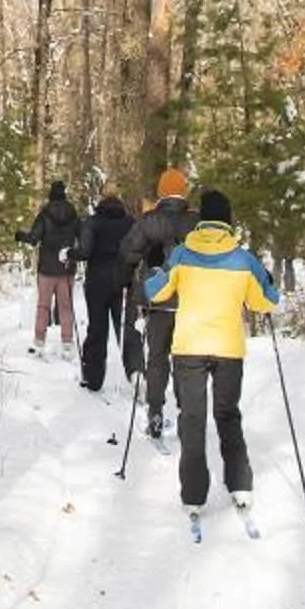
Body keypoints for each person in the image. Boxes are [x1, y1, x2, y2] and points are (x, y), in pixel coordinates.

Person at [142, 189, 281, 516]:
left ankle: (193, 494)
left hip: (189, 348)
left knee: (192, 419)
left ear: (202, 219)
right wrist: (269, 281)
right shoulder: (244, 259)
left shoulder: (182, 254)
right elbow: (267, 301)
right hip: (228, 350)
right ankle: (240, 484)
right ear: (228, 221)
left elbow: (155, 292)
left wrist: (153, 274)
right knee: (228, 414)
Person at [120, 168, 194, 437]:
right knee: (185, 360)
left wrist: (147, 255)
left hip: (157, 298)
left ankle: (155, 413)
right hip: (189, 300)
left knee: (157, 357)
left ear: (162, 192)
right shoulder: (195, 222)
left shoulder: (148, 221)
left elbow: (126, 252)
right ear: (183, 191)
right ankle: (187, 414)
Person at [75, 188, 137, 393]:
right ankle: (136, 373)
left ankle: (93, 378)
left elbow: (84, 251)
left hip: (96, 283)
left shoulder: (92, 222)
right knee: (126, 329)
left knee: (97, 329)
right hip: (122, 282)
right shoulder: (130, 223)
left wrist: (68, 254)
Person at [17, 181, 82, 354]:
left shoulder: (45, 214)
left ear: (51, 194)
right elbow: (83, 236)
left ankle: (39, 341)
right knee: (66, 306)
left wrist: (20, 235)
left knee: (43, 306)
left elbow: (33, 239)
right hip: (66, 268)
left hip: (46, 268)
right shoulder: (73, 213)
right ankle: (67, 342)